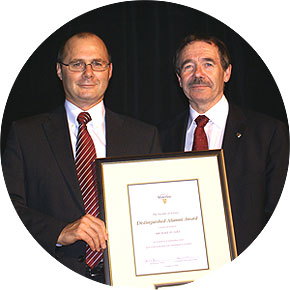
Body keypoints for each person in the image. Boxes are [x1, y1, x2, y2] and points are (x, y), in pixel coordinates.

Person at [1, 32, 161, 283]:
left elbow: (156, 210)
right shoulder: (25, 134)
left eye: (97, 63)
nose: (88, 72)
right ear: (59, 70)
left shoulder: (144, 136)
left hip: (128, 277)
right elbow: (9, 205)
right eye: (77, 64)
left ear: (109, 70)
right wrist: (59, 231)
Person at [158, 34, 289, 255]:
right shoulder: (160, 136)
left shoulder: (268, 133)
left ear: (226, 73)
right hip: (180, 260)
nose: (198, 74)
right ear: (179, 79)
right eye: (188, 66)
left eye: (208, 64)